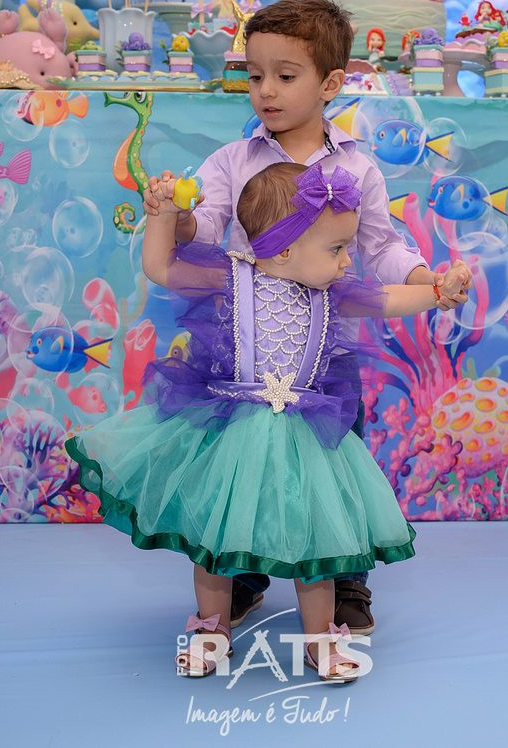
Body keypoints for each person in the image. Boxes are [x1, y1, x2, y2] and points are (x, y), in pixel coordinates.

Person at [142, 0, 472, 637]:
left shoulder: (357, 167)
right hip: (245, 350)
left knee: (332, 470)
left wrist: (426, 280)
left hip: (323, 355)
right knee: (243, 469)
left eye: (285, 75)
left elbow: (382, 247)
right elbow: (203, 227)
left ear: (330, 83)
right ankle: (243, 571)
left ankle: (344, 577)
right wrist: (174, 216)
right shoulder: (233, 161)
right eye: (254, 75)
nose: (265, 90)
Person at [66, 161, 468, 683]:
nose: (347, 260)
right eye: (336, 248)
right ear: (283, 249)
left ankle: (320, 638)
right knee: (214, 539)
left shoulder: (333, 293)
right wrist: (163, 215)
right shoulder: (230, 278)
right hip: (233, 431)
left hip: (304, 436)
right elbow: (160, 268)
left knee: (315, 538)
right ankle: (212, 627)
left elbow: (390, 297)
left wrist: (437, 291)